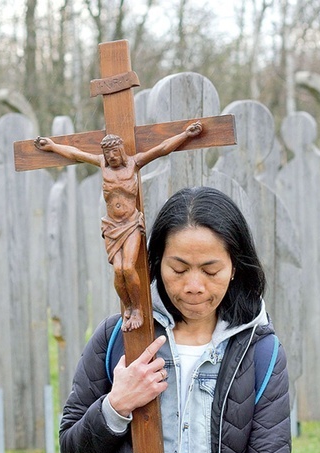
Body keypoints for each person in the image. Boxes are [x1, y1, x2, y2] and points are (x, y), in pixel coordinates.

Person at [59, 186, 292, 453]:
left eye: (211, 271)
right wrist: (116, 405)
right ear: (155, 263)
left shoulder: (261, 353)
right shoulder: (116, 337)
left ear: (235, 266)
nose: (194, 287)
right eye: (178, 269)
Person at [34, 122, 203, 331]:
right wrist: (52, 146)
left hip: (131, 223)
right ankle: (129, 308)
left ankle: (139, 308)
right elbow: (75, 154)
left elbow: (162, 148)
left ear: (121, 150)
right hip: (112, 225)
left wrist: (185, 134)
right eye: (108, 153)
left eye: (115, 152)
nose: (112, 157)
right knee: (118, 271)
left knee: (128, 267)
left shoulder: (134, 163)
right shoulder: (102, 164)